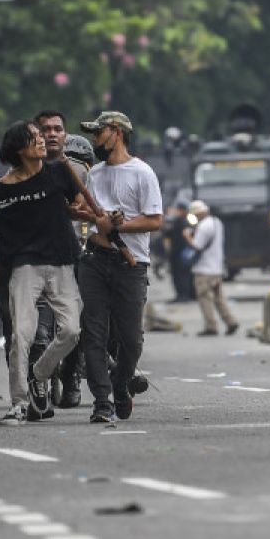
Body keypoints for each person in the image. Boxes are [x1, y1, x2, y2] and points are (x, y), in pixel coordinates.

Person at [0, 121, 84, 426]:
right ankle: (19, 403)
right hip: (23, 267)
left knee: (72, 331)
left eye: (42, 136)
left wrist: (78, 208)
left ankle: (39, 375)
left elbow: (77, 201)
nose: (43, 141)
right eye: (35, 138)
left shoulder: (59, 173)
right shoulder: (0, 189)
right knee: (21, 337)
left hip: (62, 262)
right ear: (19, 149)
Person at [77, 111, 163, 423]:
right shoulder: (94, 174)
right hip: (95, 262)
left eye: (99, 133)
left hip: (131, 264)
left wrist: (119, 225)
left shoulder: (142, 173)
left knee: (131, 339)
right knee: (94, 334)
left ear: (117, 132)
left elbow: (154, 219)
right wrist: (89, 217)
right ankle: (102, 402)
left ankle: (120, 383)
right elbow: (89, 213)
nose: (95, 140)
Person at [35, 110, 92, 411]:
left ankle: (71, 378)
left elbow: (92, 211)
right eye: (46, 129)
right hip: (35, 259)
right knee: (36, 330)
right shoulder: (26, 169)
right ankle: (36, 385)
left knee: (76, 326)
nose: (52, 134)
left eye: (58, 129)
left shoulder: (79, 172)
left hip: (75, 256)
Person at [182, 200, 239, 337]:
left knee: (204, 298)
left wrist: (187, 236)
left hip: (204, 269)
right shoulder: (216, 222)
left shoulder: (203, 227)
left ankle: (211, 326)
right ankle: (231, 321)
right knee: (219, 297)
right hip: (217, 268)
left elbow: (197, 246)